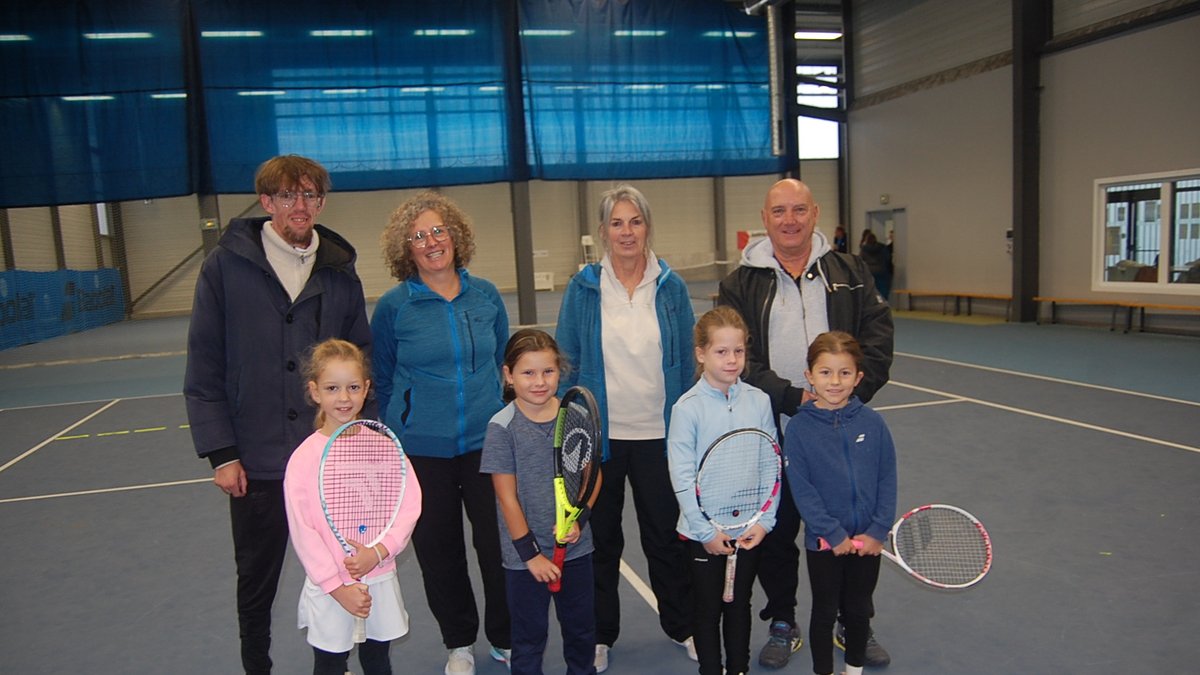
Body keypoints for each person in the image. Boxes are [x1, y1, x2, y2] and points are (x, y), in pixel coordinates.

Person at [183, 154, 373, 674]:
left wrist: (362, 443)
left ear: (321, 202)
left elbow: (361, 357)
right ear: (267, 202)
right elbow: (204, 364)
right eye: (288, 195)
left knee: (349, 572)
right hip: (258, 459)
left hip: (331, 461)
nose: (300, 206)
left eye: (310, 195)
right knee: (257, 582)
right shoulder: (224, 267)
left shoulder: (339, 271)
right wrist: (221, 452)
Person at [717, 178, 893, 669]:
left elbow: (877, 339)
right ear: (765, 218)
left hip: (840, 429)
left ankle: (853, 618)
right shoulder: (740, 283)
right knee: (777, 532)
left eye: (799, 209)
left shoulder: (851, 272)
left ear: (815, 213)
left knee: (848, 522)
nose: (789, 220)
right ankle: (782, 620)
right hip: (771, 429)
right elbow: (736, 359)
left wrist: (848, 398)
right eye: (779, 211)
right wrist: (794, 397)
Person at [555, 184, 697, 673]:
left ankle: (683, 625)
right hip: (601, 440)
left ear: (647, 226)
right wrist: (571, 432)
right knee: (600, 542)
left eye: (635, 221)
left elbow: (686, 365)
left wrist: (688, 427)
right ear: (602, 232)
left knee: (666, 537)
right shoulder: (583, 288)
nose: (626, 231)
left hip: (660, 437)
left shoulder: (672, 287)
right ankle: (600, 635)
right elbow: (566, 361)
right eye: (616, 223)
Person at [371, 191, 511, 675]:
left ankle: (506, 637)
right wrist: (397, 439)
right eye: (418, 237)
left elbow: (502, 367)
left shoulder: (486, 296)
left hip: (485, 445)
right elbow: (384, 377)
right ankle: (458, 643)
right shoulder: (393, 308)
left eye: (438, 231)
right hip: (422, 452)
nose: (431, 242)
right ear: (406, 250)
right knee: (439, 551)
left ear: (455, 236)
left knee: (497, 546)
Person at [283, 339, 422, 674]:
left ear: (366, 389)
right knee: (329, 664)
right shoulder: (304, 459)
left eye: (353, 387)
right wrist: (336, 586)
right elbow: (304, 531)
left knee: (377, 661)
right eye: (332, 388)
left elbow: (408, 505)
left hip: (379, 575)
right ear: (315, 391)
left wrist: (378, 552)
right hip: (331, 586)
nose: (343, 398)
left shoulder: (385, 448)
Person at [481, 329, 603, 675]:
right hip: (525, 561)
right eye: (528, 373)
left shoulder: (576, 416)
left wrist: (580, 518)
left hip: (576, 552)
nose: (539, 382)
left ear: (559, 372)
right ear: (508, 375)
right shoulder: (501, 427)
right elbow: (506, 497)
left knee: (581, 633)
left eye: (547, 372)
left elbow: (593, 476)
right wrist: (531, 555)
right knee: (529, 639)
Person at [667, 307, 777, 675]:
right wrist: (704, 532)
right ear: (701, 354)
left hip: (748, 528)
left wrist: (765, 520)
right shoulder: (687, 409)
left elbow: (770, 464)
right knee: (706, 608)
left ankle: (739, 669)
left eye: (739, 351)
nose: (732, 360)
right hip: (704, 533)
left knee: (739, 603)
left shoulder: (759, 401)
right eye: (721, 351)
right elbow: (681, 477)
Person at [783, 332, 897, 675]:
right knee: (825, 610)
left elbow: (887, 479)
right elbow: (802, 490)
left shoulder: (873, 424)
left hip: (867, 543)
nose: (835, 381)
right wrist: (832, 534)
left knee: (859, 610)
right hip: (824, 545)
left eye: (844, 373)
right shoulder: (800, 429)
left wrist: (877, 531)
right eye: (825, 372)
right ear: (809, 376)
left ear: (858, 378)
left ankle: (854, 669)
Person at [858, 231, 892, 302]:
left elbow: (860, 260)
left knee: (871, 290)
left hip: (869, 272)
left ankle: (873, 303)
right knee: (882, 289)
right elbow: (887, 258)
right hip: (881, 271)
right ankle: (883, 302)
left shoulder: (864, 249)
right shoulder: (882, 248)